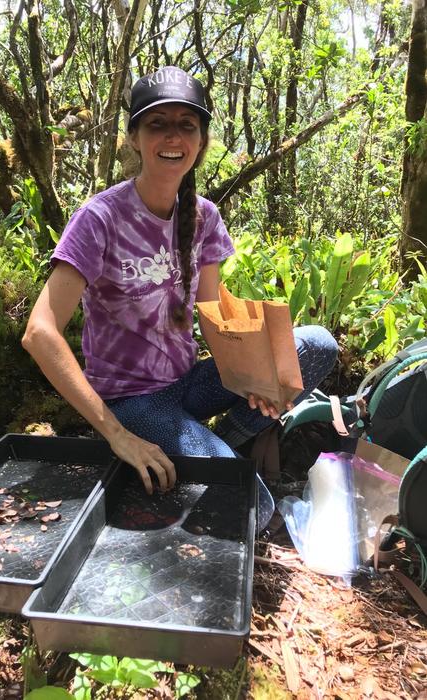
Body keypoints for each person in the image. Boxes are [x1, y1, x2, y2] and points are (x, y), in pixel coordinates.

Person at [22, 66, 338, 531]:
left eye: (186, 125)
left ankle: (217, 445)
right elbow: (39, 332)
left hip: (187, 385)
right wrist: (115, 434)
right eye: (157, 123)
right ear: (133, 137)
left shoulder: (204, 217)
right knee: (255, 509)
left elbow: (211, 317)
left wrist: (257, 378)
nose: (173, 136)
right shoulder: (100, 219)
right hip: (131, 403)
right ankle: (187, 453)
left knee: (317, 346)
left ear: (202, 139)